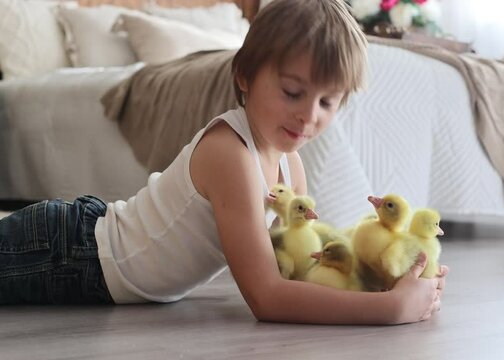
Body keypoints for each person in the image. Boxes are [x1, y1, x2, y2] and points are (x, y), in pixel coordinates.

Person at [0, 0, 448, 324]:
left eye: (328, 101)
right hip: (71, 252)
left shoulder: (291, 164)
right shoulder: (230, 153)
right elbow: (267, 298)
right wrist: (389, 310)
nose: (309, 115)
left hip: (91, 250)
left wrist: (385, 279)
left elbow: (307, 267)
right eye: (293, 92)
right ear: (244, 75)